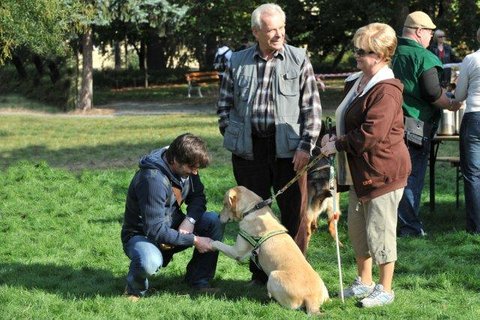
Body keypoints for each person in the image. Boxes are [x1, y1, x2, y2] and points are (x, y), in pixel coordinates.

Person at [216, 3, 321, 285]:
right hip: (250, 151)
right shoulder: (236, 61)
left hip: (290, 151)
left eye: (281, 28)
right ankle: (260, 275)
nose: (278, 34)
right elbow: (224, 105)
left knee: (294, 213)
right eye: (271, 29)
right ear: (256, 32)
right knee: (252, 216)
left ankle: (297, 274)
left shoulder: (299, 59)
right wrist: (233, 133)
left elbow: (312, 108)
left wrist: (305, 147)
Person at [321, 23, 411, 308]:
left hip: (383, 171)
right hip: (359, 171)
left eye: (364, 52)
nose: (357, 56)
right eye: (356, 50)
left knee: (381, 231)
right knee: (359, 228)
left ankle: (385, 288)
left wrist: (337, 144)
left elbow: (372, 134)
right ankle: (365, 282)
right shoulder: (357, 81)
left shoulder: (387, 90)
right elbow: (348, 119)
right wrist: (330, 134)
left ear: (382, 54)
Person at [120, 133, 223, 300]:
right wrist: (195, 240)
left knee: (213, 221)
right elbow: (154, 230)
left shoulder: (186, 165)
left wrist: (189, 220)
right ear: (174, 160)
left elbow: (198, 197)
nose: (195, 172)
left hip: (172, 227)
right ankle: (134, 290)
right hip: (143, 235)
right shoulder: (152, 180)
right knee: (149, 261)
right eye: (191, 168)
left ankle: (199, 282)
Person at [392, 11, 462, 237]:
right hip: (415, 124)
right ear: (419, 31)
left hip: (389, 123)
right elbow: (433, 93)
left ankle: (395, 223)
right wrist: (450, 104)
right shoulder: (424, 57)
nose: (432, 36)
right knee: (411, 175)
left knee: (395, 175)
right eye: (430, 32)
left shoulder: (390, 51)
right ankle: (411, 228)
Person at [451, 27, 480, 234]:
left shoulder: (471, 59)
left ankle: (476, 227)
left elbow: (459, 94)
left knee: (473, 174)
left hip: (475, 117)